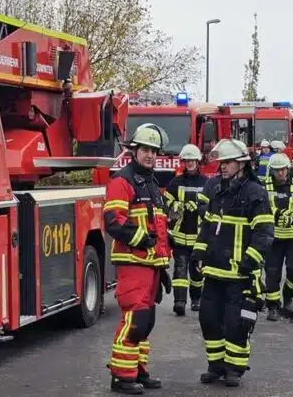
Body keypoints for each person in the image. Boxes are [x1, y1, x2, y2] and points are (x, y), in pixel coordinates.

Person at [192, 139, 274, 387]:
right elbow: (207, 227)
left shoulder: (255, 193)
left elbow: (264, 233)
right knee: (208, 319)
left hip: (240, 274)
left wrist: (249, 263)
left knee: (235, 323)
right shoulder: (217, 191)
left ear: (241, 164)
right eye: (221, 163)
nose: (222, 167)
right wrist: (198, 253)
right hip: (214, 272)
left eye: (227, 162)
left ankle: (234, 368)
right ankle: (215, 365)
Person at [103, 123, 173, 394]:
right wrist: (143, 240)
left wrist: (163, 265)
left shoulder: (152, 183)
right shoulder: (123, 181)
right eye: (145, 149)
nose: (150, 155)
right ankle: (121, 376)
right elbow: (114, 222)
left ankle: (138, 370)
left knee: (147, 322)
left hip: (150, 266)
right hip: (133, 264)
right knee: (135, 321)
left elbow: (160, 229)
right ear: (134, 151)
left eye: (154, 151)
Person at [164, 144, 209, 315]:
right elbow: (166, 203)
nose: (189, 163)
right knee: (180, 269)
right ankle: (180, 302)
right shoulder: (176, 182)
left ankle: (196, 300)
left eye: (192, 160)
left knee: (197, 272)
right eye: (187, 160)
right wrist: (178, 205)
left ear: (198, 161)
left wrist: (198, 207)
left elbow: (210, 206)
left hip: (199, 237)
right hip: (180, 235)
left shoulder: (206, 183)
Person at [262, 153, 293, 320]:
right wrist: (278, 214)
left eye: (282, 170)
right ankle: (272, 306)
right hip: (272, 237)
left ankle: (288, 295)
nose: (280, 173)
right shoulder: (264, 186)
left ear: (288, 169)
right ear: (272, 171)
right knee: (272, 272)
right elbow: (263, 208)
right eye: (277, 170)